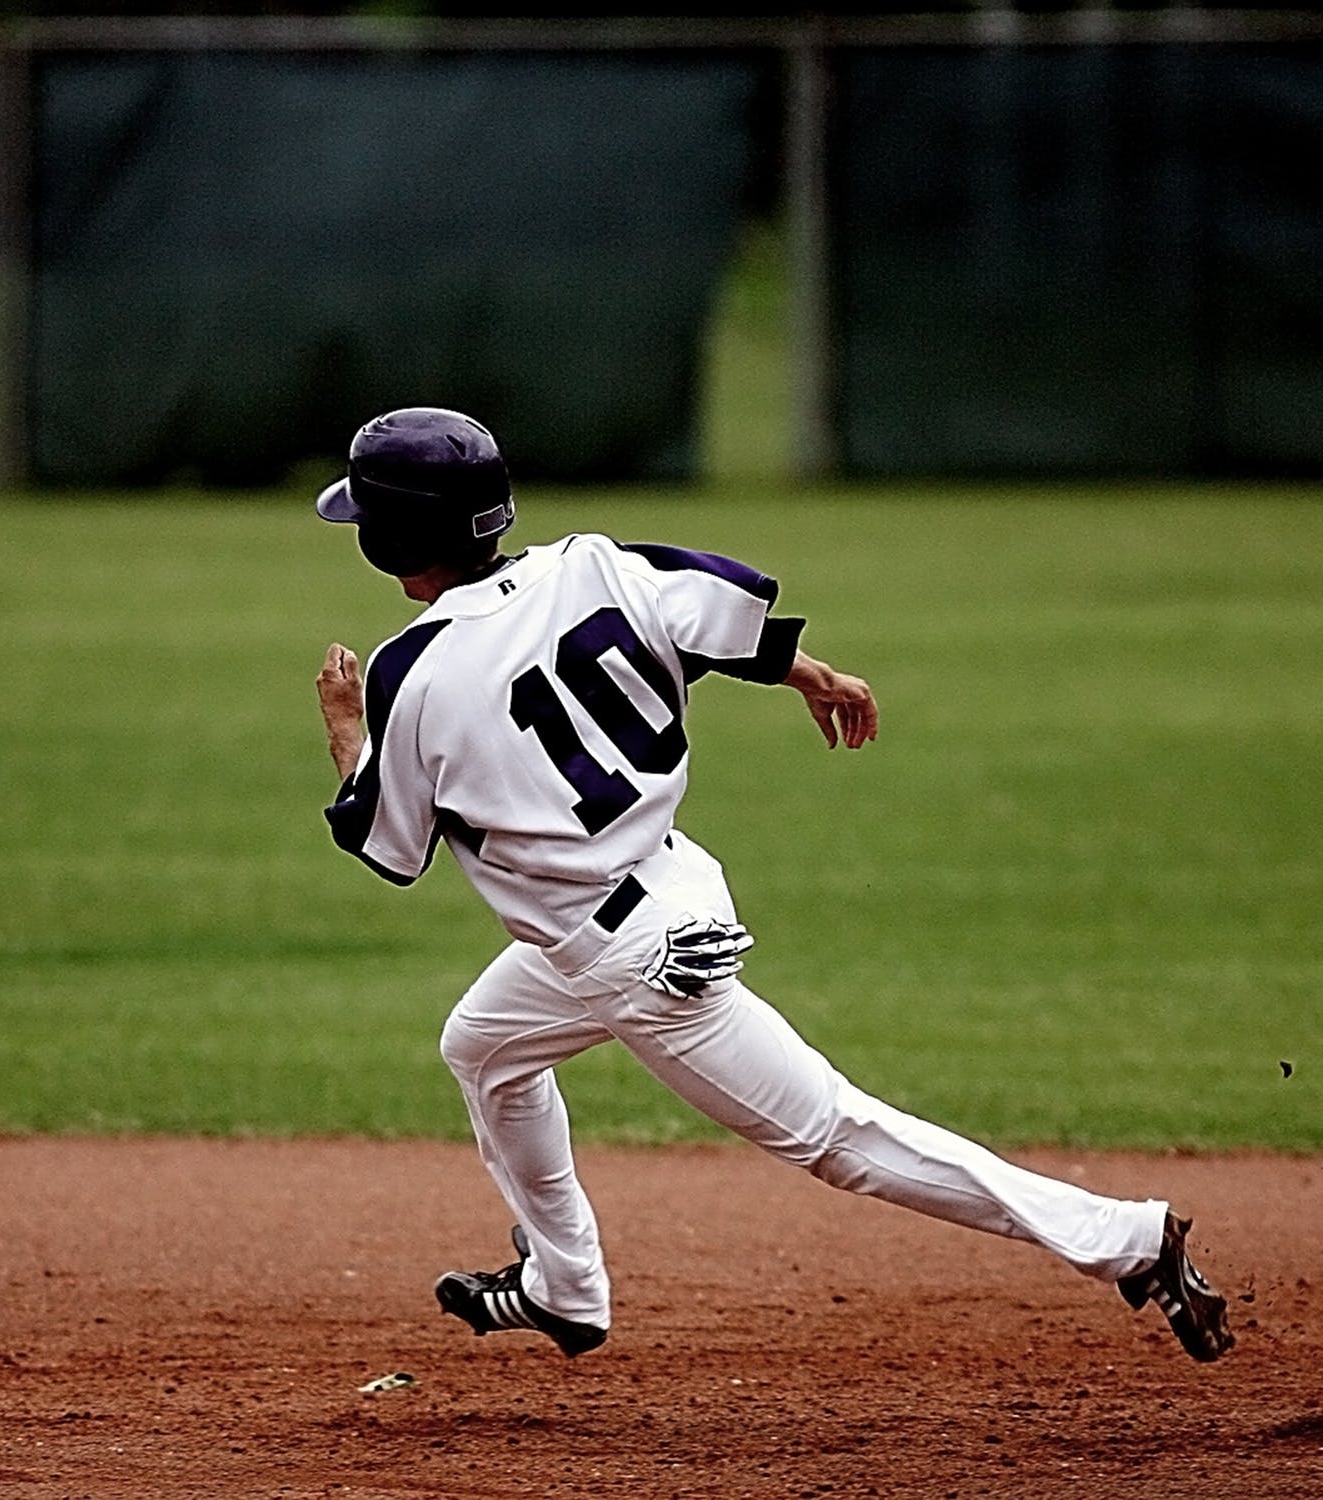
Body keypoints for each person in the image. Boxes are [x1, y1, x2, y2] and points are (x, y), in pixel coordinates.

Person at [310, 406, 1233, 1364]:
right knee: (485, 1050)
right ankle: (566, 1287)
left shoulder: (406, 673)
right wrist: (811, 674)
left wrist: (347, 728)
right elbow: (716, 613)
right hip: (663, 892)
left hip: (625, 958)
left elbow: (388, 844)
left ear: (389, 538)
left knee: (838, 1135)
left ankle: (1125, 1238)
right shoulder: (593, 563)